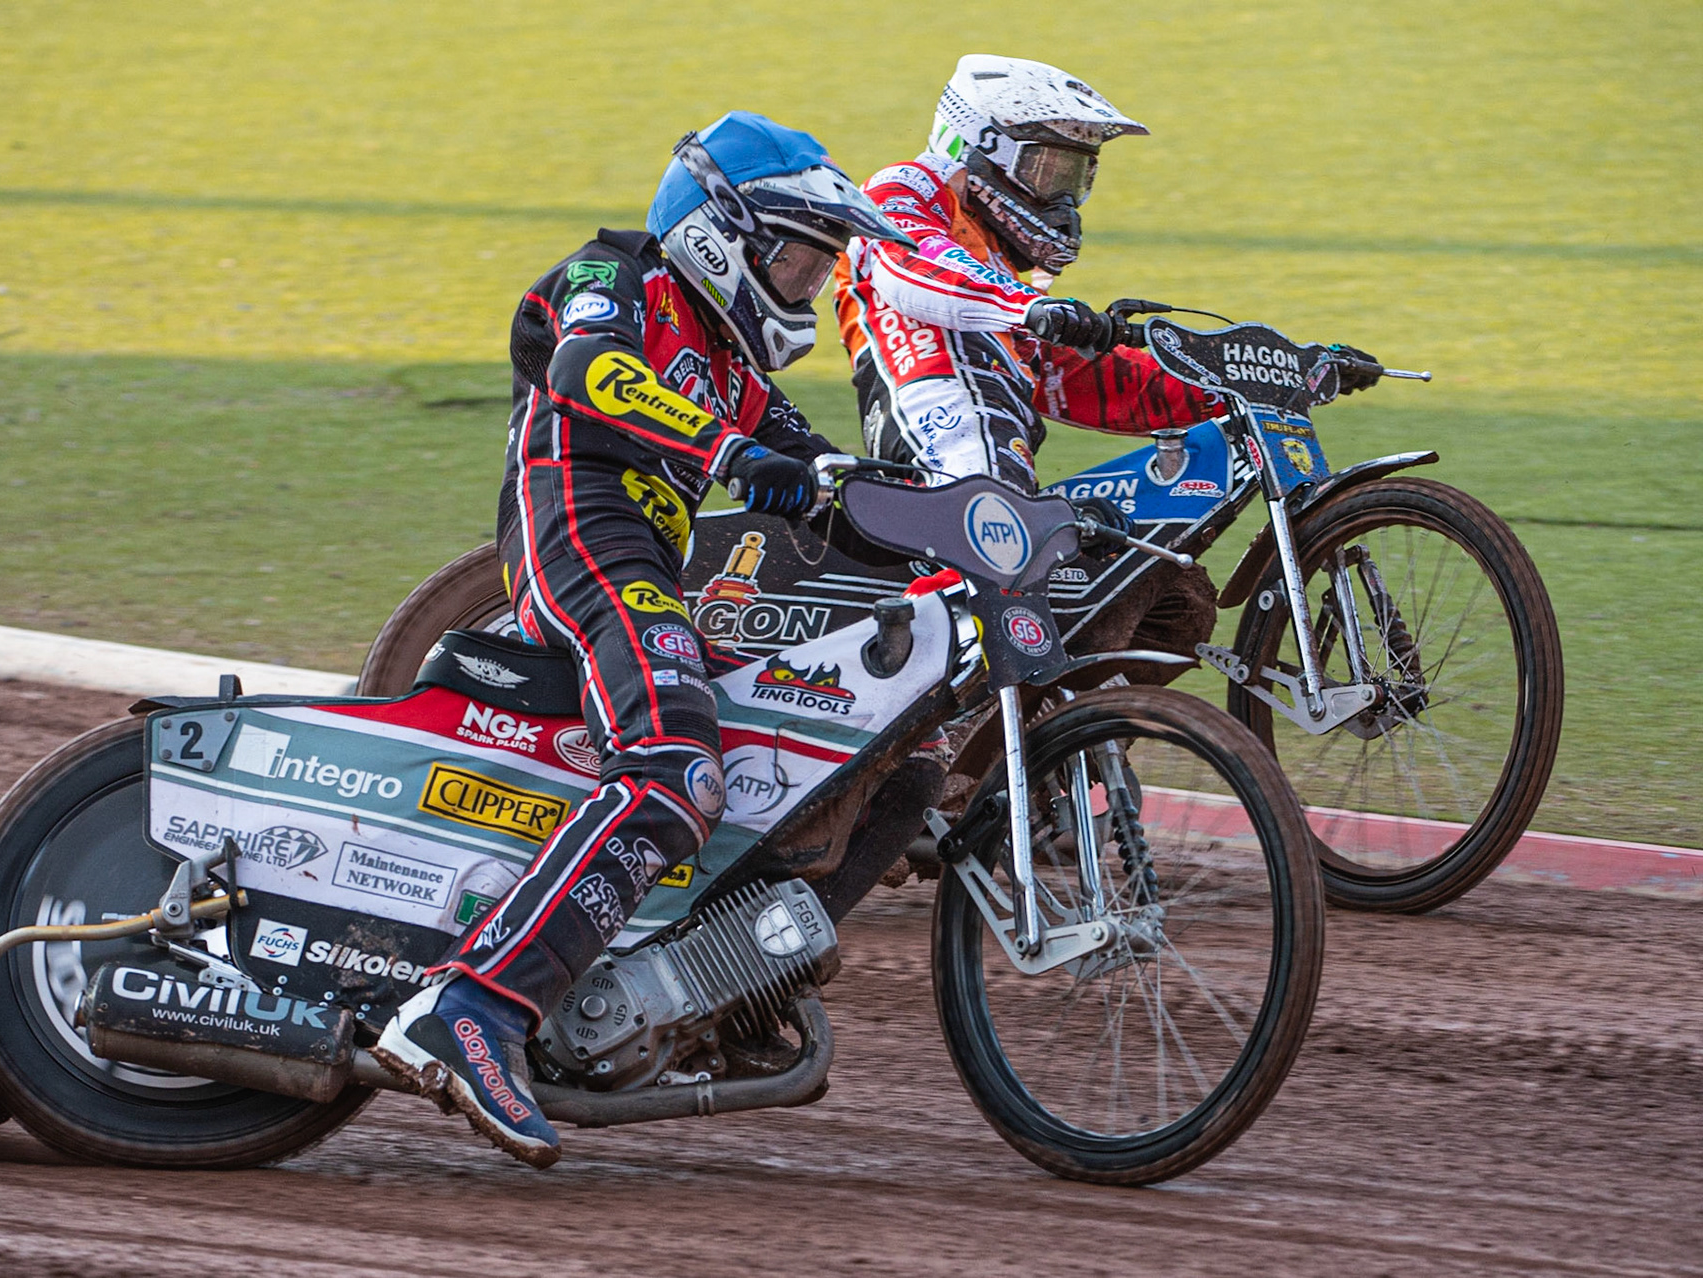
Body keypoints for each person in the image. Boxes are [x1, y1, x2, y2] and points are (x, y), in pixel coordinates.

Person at [373, 111, 913, 1168]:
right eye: (798, 255)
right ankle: (469, 1006)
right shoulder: (615, 275)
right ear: (722, 233)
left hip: (658, 566)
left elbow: (836, 482)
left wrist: (950, 519)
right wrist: (732, 450)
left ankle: (715, 985)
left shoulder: (735, 365)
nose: (809, 284)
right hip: (579, 523)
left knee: (896, 766)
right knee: (674, 762)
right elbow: (587, 374)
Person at [832, 54, 1378, 669]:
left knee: (1176, 597)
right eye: (1048, 168)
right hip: (935, 419)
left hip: (999, 432)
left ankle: (1071, 744)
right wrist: (1031, 308)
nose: (1064, 195)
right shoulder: (905, 190)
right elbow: (914, 268)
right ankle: (930, 715)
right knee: (991, 557)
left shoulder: (1004, 278)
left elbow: (1088, 381)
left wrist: (1243, 383)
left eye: (1078, 174)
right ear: (978, 145)